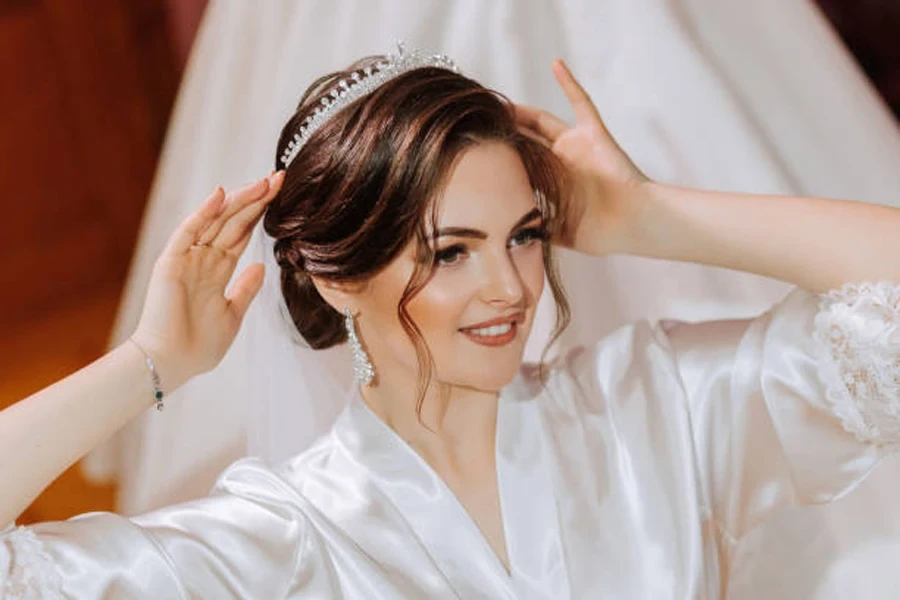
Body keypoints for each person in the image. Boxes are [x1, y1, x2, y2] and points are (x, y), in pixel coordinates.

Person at [2, 49, 899, 598]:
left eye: (526, 235)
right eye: (450, 251)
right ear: (335, 274)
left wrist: (654, 216)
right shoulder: (285, 537)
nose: (510, 287)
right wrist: (150, 364)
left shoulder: (654, 405)